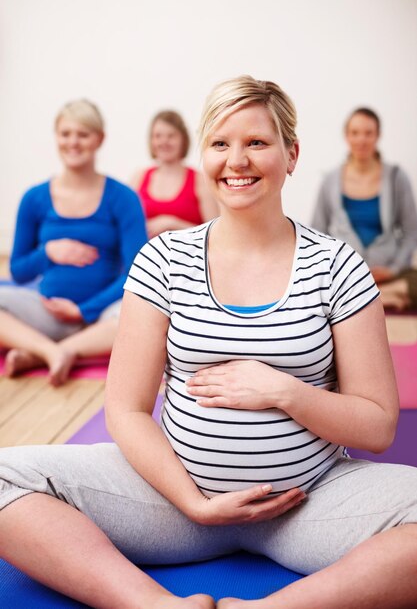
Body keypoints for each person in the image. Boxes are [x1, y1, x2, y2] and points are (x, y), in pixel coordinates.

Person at [0, 76, 416, 609]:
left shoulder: (337, 265)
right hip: (170, 502)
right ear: (205, 156)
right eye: (220, 144)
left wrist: (284, 391)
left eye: (257, 143)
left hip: (309, 503)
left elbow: (379, 425)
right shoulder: (162, 260)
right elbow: (125, 410)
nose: (236, 160)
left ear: (291, 154)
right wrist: (194, 504)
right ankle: (155, 607)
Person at [0, 99, 147, 386]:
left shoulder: (123, 198)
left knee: (144, 318)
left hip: (104, 315)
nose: (73, 142)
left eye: (83, 134)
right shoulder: (34, 198)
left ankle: (53, 351)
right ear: (56, 137)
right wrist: (48, 252)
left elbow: (136, 271)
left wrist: (84, 310)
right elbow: (18, 271)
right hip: (48, 309)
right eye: (65, 134)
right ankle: (50, 351)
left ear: (99, 139)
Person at [312, 107, 417, 310]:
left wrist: (393, 269)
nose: (362, 140)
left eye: (368, 133)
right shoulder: (330, 181)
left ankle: (367, 296)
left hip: (388, 272)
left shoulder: (396, 177)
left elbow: (411, 232)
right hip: (343, 272)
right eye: (355, 133)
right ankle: (383, 297)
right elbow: (318, 232)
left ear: (378, 136)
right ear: (346, 136)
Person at [130, 110, 218, 237]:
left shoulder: (200, 180)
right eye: (158, 136)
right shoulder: (139, 177)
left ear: (183, 140)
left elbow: (214, 233)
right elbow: (123, 225)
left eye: (171, 136)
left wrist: (172, 223)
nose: (164, 141)